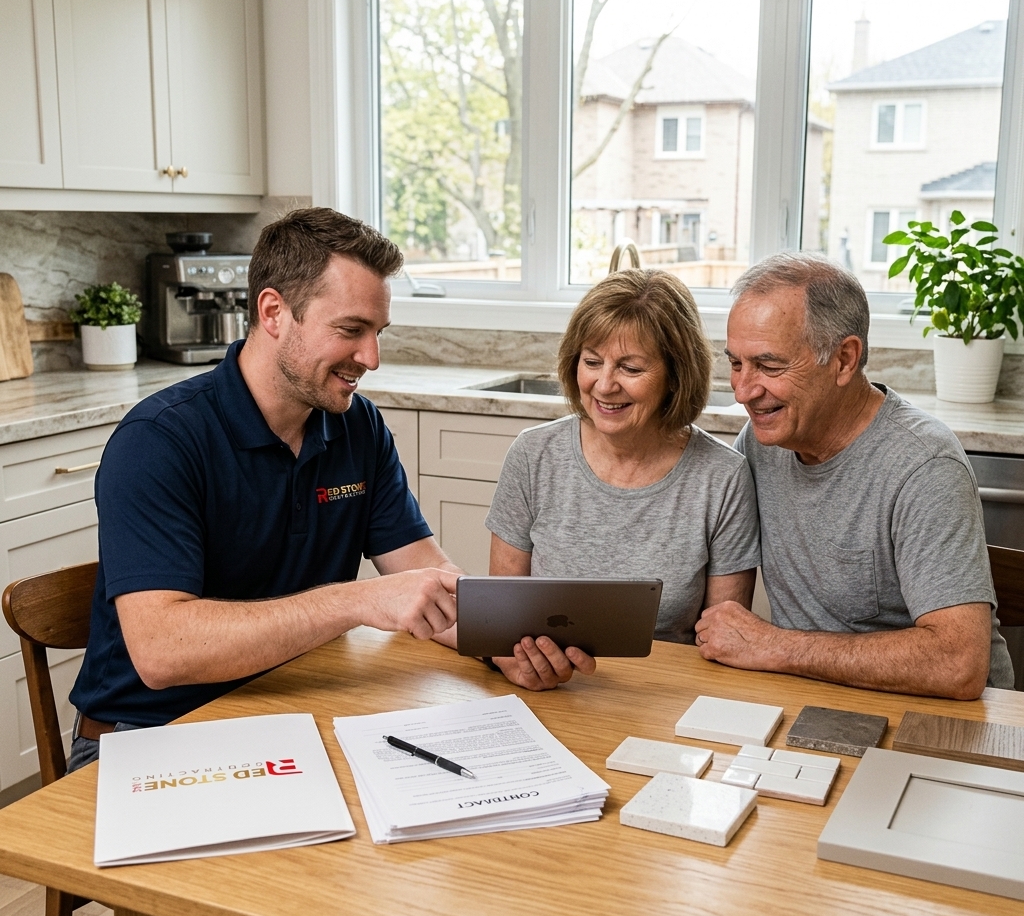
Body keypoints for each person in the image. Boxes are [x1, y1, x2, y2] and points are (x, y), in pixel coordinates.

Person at [68, 208, 461, 770]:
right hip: (147, 736)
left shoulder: (358, 426)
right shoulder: (158, 440)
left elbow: (428, 579)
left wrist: (506, 642)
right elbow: (160, 650)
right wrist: (361, 601)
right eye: (351, 330)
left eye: (377, 333)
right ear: (274, 312)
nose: (371, 358)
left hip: (289, 713)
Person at [695, 252, 1014, 698]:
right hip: (820, 697)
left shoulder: (923, 466)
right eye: (735, 363)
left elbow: (959, 664)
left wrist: (776, 646)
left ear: (845, 359)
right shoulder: (761, 441)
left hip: (944, 718)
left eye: (769, 365)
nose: (745, 391)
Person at [457, 267, 761, 690]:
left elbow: (724, 644)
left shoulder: (723, 478)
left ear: (675, 376)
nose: (603, 385)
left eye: (630, 368)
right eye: (592, 361)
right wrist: (513, 661)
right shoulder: (533, 455)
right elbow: (501, 626)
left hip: (667, 695)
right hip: (549, 691)